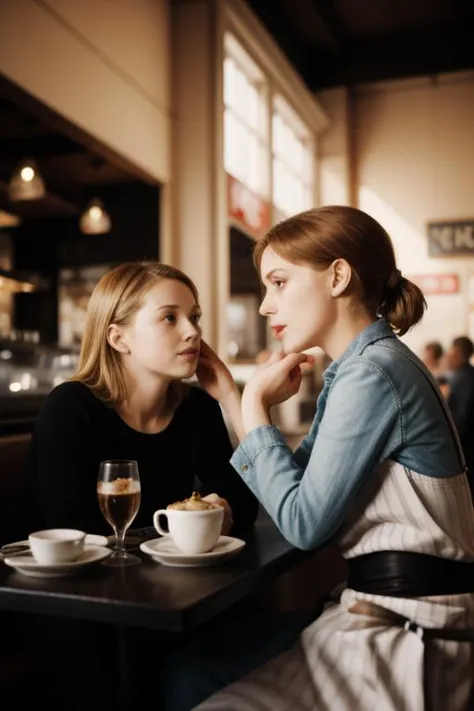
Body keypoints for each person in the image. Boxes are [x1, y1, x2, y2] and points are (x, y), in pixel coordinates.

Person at [188, 205, 474, 711]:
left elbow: (302, 523)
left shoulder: (373, 374)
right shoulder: (361, 368)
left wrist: (254, 406)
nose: (264, 306)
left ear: (338, 275)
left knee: (192, 680)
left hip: (410, 635)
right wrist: (235, 400)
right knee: (191, 669)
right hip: (393, 614)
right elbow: (296, 489)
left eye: (278, 282)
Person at [20, 261, 258, 539]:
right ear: (119, 339)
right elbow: (70, 529)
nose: (193, 332)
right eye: (169, 317)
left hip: (171, 578)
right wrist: (183, 531)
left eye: (194, 317)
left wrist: (230, 396)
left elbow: (245, 507)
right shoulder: (70, 407)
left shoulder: (197, 407)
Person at [446, 336, 474, 491]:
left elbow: (461, 417)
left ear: (457, 353)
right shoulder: (464, 375)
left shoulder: (465, 378)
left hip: (466, 449)